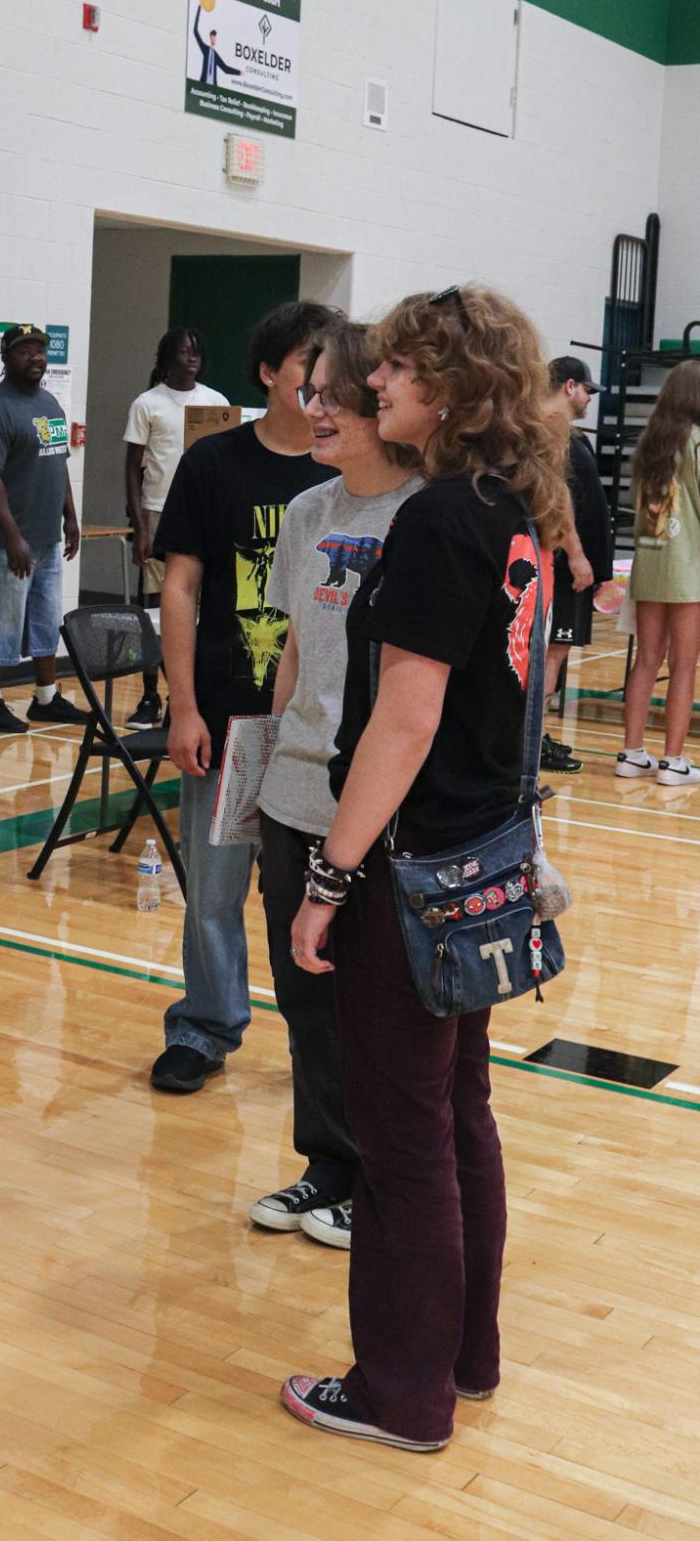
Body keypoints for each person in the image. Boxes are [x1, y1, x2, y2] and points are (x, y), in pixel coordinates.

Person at [281, 283, 570, 1452]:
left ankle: (401, 1392)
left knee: (403, 1138)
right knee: (456, 1117)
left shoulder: (438, 517)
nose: (372, 384)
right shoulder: (507, 507)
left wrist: (328, 876)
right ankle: (462, 1354)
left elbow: (403, 720)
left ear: (447, 390)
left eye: (395, 370)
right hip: (482, 853)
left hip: (413, 870)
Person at [250, 322, 419, 1249]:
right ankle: (327, 1166)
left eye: (329, 392)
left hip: (381, 813)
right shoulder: (310, 512)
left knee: (379, 1010)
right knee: (305, 998)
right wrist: (270, 760)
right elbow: (293, 659)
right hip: (293, 797)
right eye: (305, 390)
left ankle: (384, 1184)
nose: (310, 406)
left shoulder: (425, 514)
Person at [149, 300, 336, 1093]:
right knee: (214, 888)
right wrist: (183, 704)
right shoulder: (214, 464)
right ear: (269, 372)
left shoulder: (349, 472)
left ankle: (321, 1043)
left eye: (335, 380)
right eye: (308, 374)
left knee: (309, 896)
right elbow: (181, 589)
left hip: (316, 729)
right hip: (226, 713)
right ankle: (206, 1023)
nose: (323, 394)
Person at [0, 324, 88, 734]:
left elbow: (57, 461)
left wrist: (70, 517)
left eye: (40, 350)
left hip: (45, 536)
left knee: (45, 616)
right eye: (24, 351)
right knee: (2, 619)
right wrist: (13, 537)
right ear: (6, 358)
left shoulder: (50, 403)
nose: (35, 357)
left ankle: (46, 697)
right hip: (4, 541)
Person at [122, 326, 228, 727]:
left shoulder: (215, 402)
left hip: (205, 515)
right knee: (154, 609)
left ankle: (186, 697)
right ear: (168, 357)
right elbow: (132, 469)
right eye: (184, 352)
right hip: (158, 511)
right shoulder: (147, 403)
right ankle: (149, 696)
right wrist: (139, 527)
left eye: (197, 351)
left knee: (198, 610)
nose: (192, 358)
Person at [618, 360, 700, 786]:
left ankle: (631, 753)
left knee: (647, 660)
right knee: (683, 666)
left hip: (649, 561)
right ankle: (673, 761)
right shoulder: (697, 442)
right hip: (688, 569)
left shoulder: (649, 444)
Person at [542, 356, 613, 774]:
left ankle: (533, 738)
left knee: (555, 653)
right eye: (587, 390)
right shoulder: (551, 431)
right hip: (560, 565)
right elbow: (556, 499)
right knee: (552, 653)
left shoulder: (572, 434)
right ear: (569, 386)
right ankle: (526, 743)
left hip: (569, 567)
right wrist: (577, 554)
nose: (589, 398)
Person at [193, 6, 241, 87]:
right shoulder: (205, 49)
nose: (214, 39)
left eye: (215, 37)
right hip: (203, 85)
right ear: (210, 37)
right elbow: (195, 31)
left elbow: (225, 69)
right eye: (212, 37)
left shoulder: (215, 55)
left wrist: (239, 72)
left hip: (213, 88)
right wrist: (199, 8)